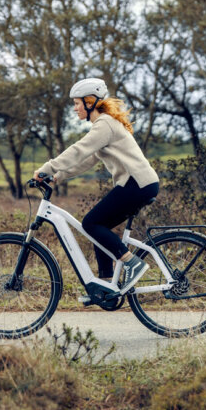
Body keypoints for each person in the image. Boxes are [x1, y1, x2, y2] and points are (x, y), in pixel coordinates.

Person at [34, 77, 159, 293]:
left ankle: (132, 262)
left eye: (77, 103)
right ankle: (106, 285)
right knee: (98, 227)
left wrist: (48, 168)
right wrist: (58, 177)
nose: (75, 108)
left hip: (136, 184)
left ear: (90, 101)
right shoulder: (105, 125)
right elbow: (87, 159)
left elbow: (78, 150)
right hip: (140, 184)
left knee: (91, 223)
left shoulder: (104, 124)